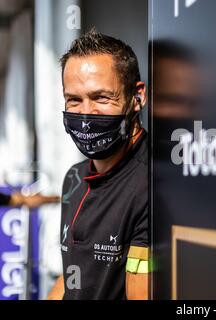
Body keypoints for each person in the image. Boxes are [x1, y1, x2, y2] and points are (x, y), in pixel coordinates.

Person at [47, 29, 150, 300]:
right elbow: (73, 276)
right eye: (74, 100)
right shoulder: (73, 178)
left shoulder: (153, 183)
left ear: (137, 97)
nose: (85, 114)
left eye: (102, 98)